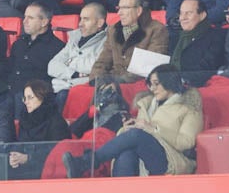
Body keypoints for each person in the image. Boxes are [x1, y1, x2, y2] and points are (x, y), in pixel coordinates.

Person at [69, 65, 201, 177]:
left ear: (169, 82)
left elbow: (186, 142)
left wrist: (154, 129)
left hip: (173, 159)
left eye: (156, 84)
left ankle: (87, 162)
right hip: (144, 156)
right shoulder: (147, 105)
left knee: (137, 135)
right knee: (126, 153)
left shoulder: (190, 109)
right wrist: (125, 129)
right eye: (150, 84)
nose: (152, 88)